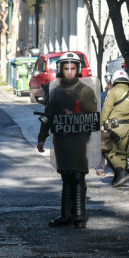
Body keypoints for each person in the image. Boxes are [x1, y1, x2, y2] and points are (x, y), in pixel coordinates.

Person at [37, 52, 98, 229]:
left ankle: (79, 216)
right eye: (66, 68)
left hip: (79, 140)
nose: (70, 72)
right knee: (66, 176)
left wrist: (76, 114)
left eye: (73, 68)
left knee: (78, 175)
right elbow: (48, 115)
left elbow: (92, 116)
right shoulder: (55, 91)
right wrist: (42, 137)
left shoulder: (85, 90)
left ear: (78, 69)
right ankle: (65, 215)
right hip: (61, 140)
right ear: (61, 70)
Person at [101, 70, 129, 187]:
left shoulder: (112, 92)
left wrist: (102, 122)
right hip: (127, 127)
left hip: (113, 126)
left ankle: (120, 172)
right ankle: (119, 178)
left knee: (107, 149)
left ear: (115, 80)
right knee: (121, 152)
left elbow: (107, 108)